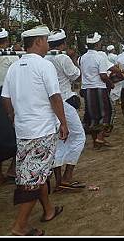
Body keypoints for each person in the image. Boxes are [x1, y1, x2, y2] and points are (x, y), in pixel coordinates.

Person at [1, 26, 67, 236]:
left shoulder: (14, 67)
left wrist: (13, 117)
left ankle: (48, 210)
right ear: (38, 41)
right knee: (34, 178)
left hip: (23, 130)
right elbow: (55, 97)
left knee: (35, 173)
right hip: (42, 129)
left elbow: (5, 98)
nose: (48, 45)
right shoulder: (44, 65)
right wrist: (63, 123)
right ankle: (19, 226)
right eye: (46, 40)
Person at [45, 29, 86, 193]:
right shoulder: (62, 58)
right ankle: (67, 177)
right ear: (63, 43)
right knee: (78, 137)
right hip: (64, 101)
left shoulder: (44, 58)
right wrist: (73, 58)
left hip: (50, 104)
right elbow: (76, 76)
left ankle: (59, 179)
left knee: (60, 140)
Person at [0, 28, 18, 187]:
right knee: (18, 135)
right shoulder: (9, 57)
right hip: (9, 101)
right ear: (6, 41)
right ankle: (13, 169)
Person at [79, 32, 116, 149]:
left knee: (92, 115)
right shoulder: (100, 57)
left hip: (87, 89)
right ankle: (100, 137)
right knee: (106, 112)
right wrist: (111, 84)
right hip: (99, 88)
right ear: (97, 44)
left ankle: (96, 141)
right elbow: (103, 75)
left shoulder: (82, 58)